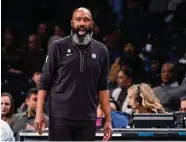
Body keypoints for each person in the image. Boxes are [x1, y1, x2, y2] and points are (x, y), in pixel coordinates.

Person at [34, 7, 112, 141]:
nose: (82, 23)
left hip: (87, 117)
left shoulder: (101, 51)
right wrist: (39, 113)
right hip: (60, 116)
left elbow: (103, 87)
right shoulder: (58, 47)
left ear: (91, 24)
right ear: (72, 23)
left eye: (86, 20)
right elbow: (44, 82)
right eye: (78, 19)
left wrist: (108, 120)